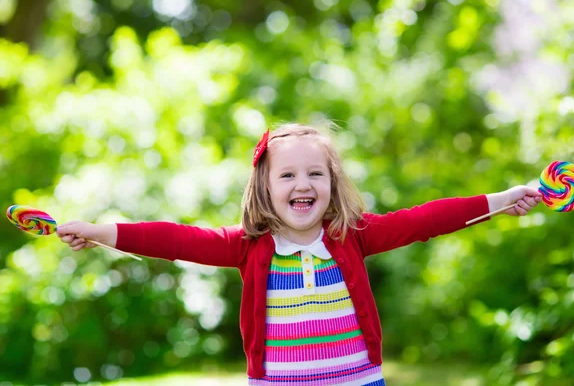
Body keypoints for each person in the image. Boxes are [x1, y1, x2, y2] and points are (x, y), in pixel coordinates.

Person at [57, 123, 542, 385]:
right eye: (287, 175)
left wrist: (499, 201)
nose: (303, 184)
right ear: (264, 188)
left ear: (333, 184)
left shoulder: (353, 235)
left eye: (316, 174)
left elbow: (426, 220)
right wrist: (100, 232)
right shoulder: (246, 248)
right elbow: (172, 239)